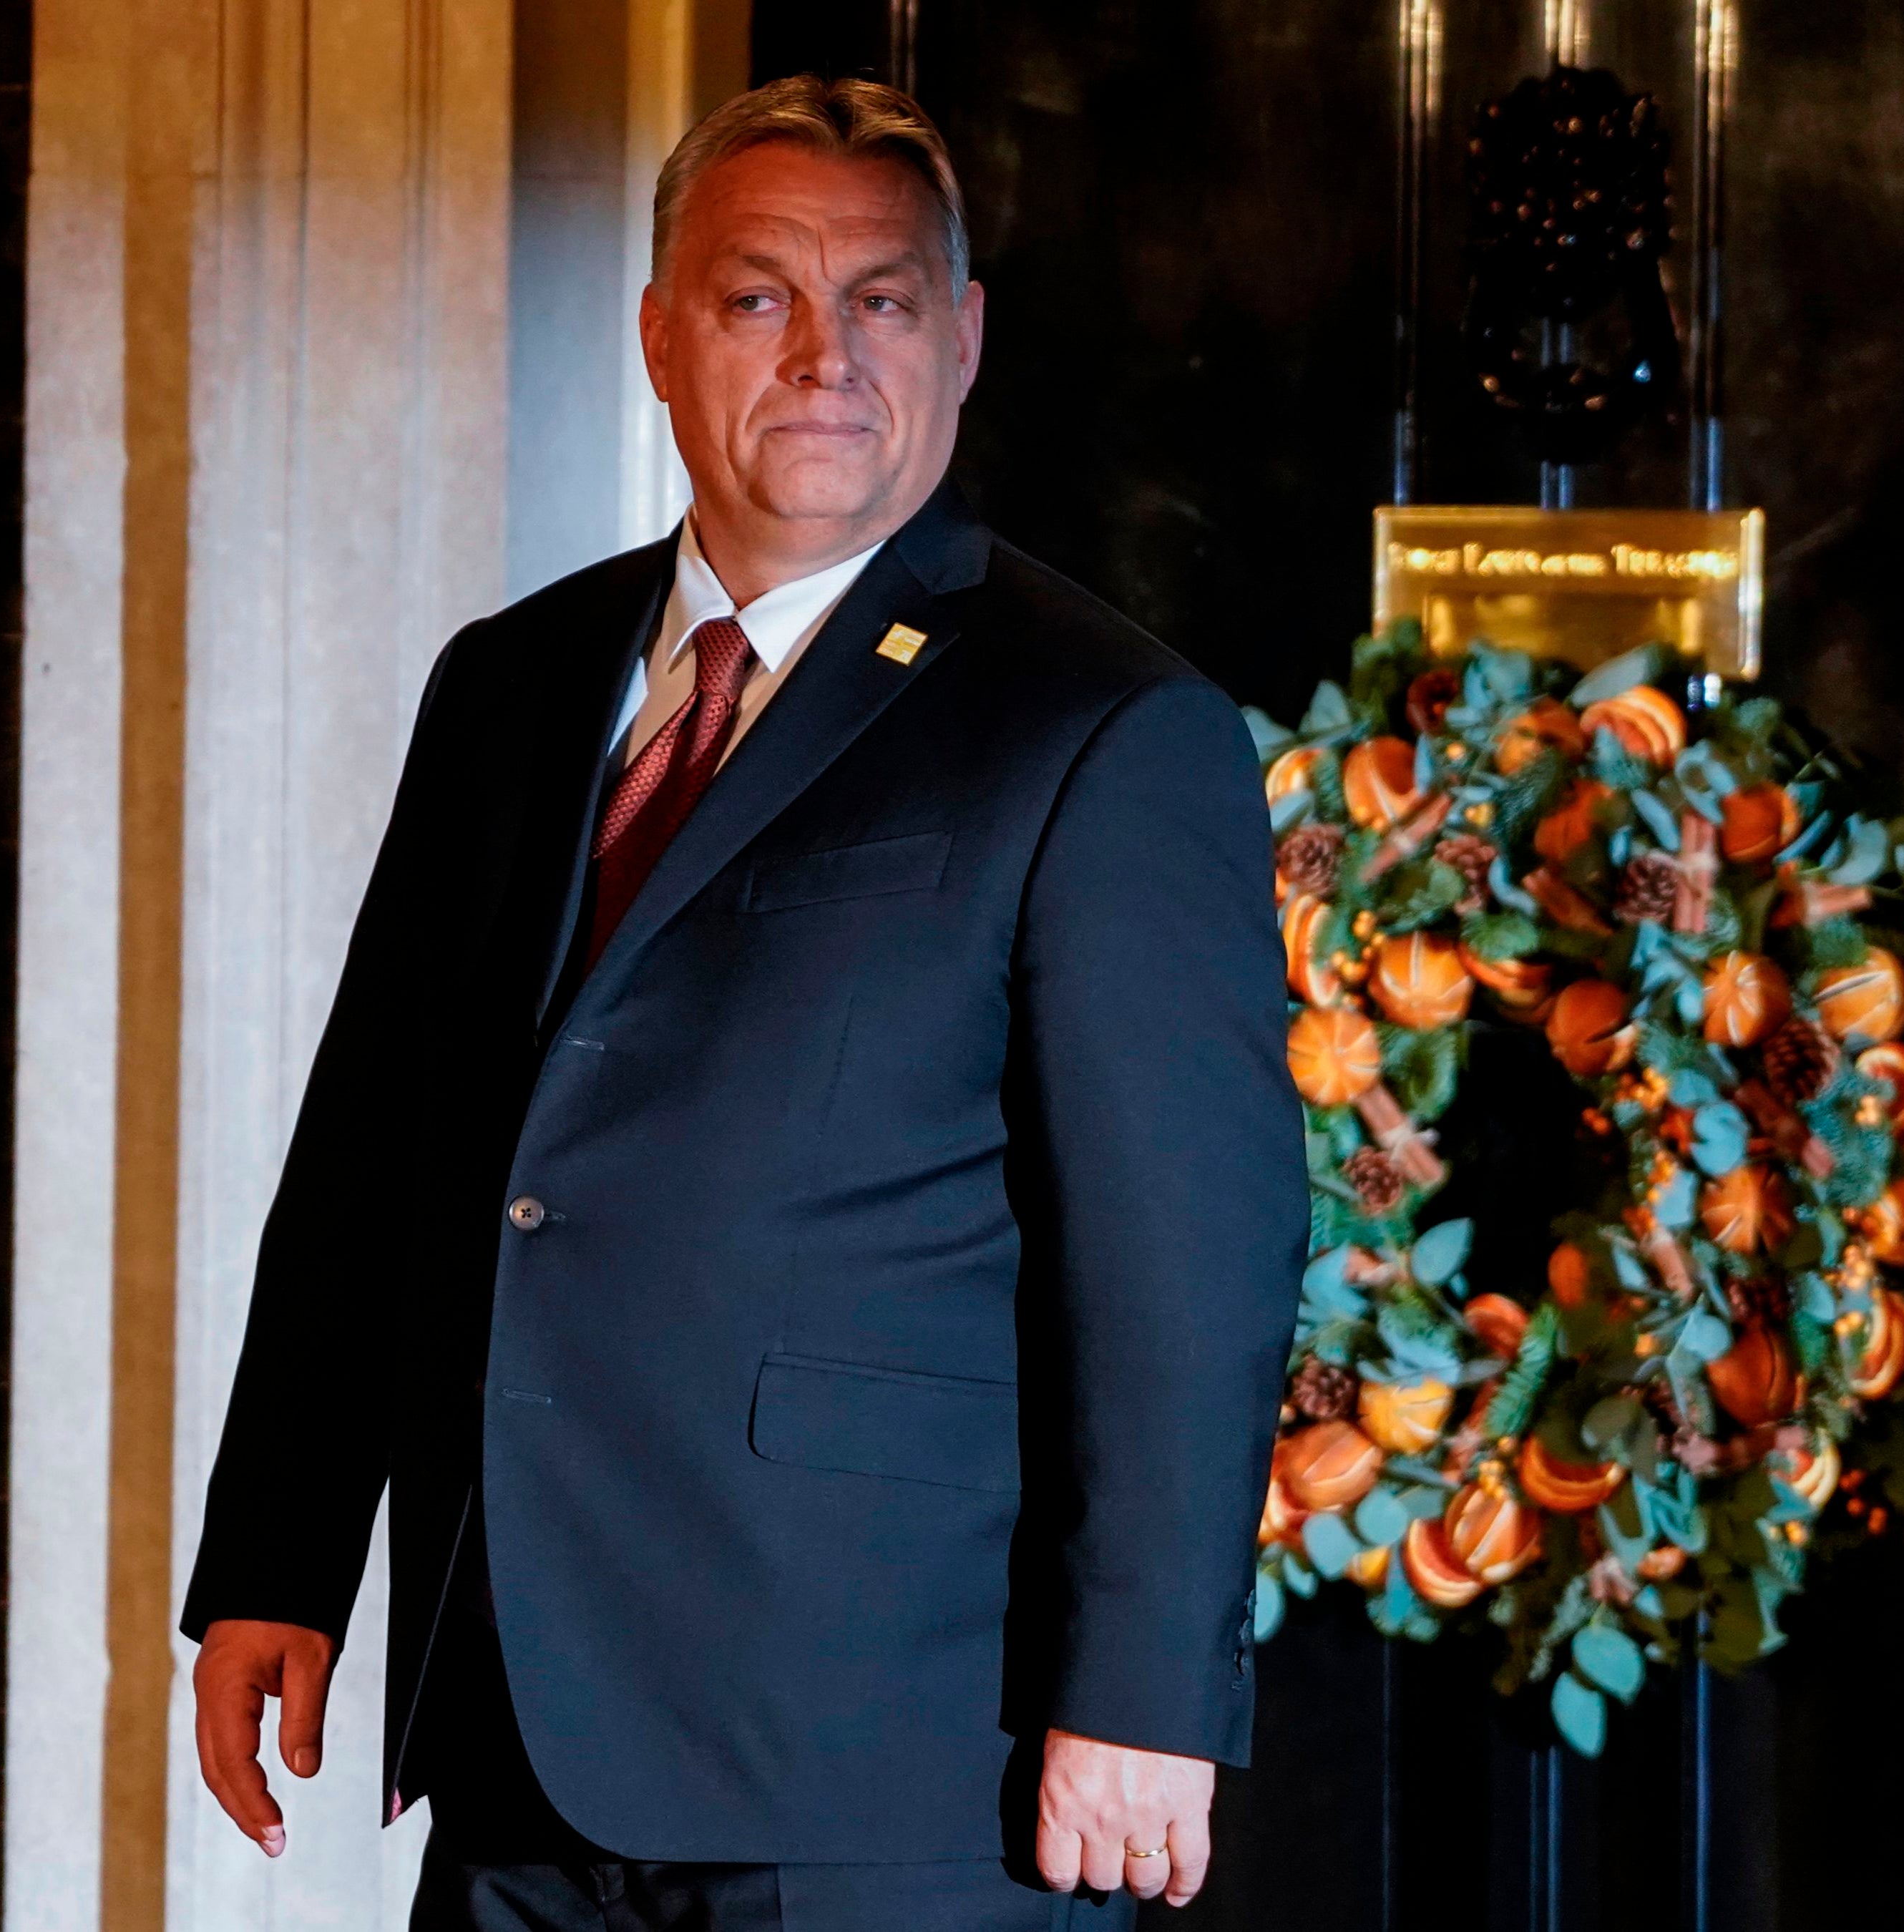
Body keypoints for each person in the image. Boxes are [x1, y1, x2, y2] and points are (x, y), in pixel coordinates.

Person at [180, 74, 1305, 1932]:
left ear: (959, 338)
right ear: (658, 330)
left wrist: (1141, 1693)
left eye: (879, 297)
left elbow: (1189, 1263)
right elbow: (375, 1147)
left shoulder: (1096, 723)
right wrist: (278, 1555)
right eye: (757, 293)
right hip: (517, 1729)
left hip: (890, 1766)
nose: (824, 352)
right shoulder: (510, 684)